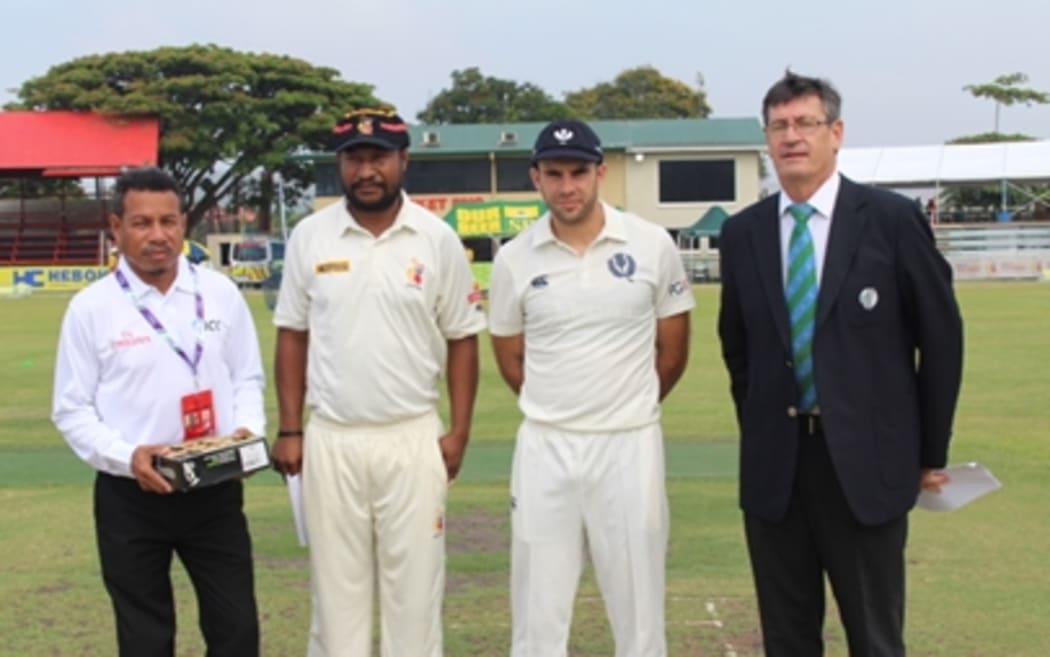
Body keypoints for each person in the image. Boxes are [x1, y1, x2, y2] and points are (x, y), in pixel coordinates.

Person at [717, 70, 964, 657]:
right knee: (787, 636)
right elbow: (739, 351)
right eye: (779, 126)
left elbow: (942, 340)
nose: (792, 137)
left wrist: (929, 454)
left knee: (876, 637)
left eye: (806, 123)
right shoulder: (744, 233)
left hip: (867, 466)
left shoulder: (890, 221)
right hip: (777, 469)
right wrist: (762, 432)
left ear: (836, 132)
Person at [270, 108, 485, 657]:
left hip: (411, 436)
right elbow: (292, 334)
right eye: (355, 159)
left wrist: (459, 431)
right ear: (340, 165)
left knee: (414, 596)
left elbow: (463, 338)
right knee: (336, 597)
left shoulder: (436, 239)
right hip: (333, 438)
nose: (367, 171)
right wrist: (291, 429)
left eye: (379, 158)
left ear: (402, 160)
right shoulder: (310, 237)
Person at [488, 119, 695, 657]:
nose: (567, 186)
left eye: (578, 172)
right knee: (537, 605)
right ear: (536, 178)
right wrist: (559, 404)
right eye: (553, 174)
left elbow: (672, 352)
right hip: (546, 444)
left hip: (628, 442)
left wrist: (626, 403)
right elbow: (511, 356)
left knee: (637, 601)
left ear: (601, 172)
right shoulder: (514, 258)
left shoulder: (650, 244)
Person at [52, 166, 266, 657]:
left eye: (168, 222)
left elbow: (246, 378)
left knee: (236, 631)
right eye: (142, 223)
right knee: (145, 638)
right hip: (132, 495)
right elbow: (71, 409)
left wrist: (245, 439)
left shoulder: (220, 293)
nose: (157, 236)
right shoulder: (92, 308)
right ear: (117, 227)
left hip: (214, 488)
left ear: (183, 223)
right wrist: (129, 457)